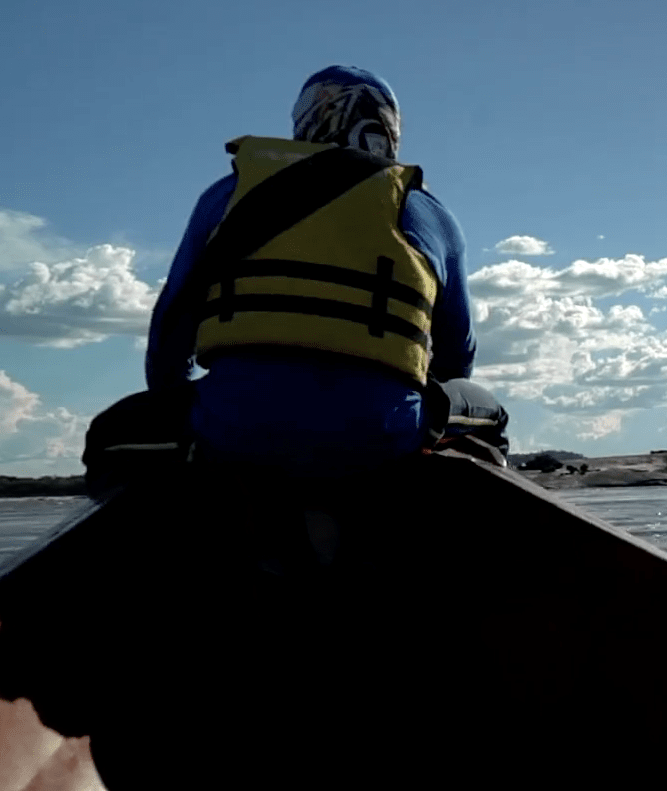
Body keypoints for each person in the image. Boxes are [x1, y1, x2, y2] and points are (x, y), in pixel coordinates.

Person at [144, 65, 508, 480]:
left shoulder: (225, 196)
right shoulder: (426, 211)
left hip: (231, 428)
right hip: (384, 435)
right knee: (490, 414)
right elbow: (457, 354)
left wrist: (178, 407)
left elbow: (169, 333)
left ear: (303, 122)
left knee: (113, 430)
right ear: (389, 129)